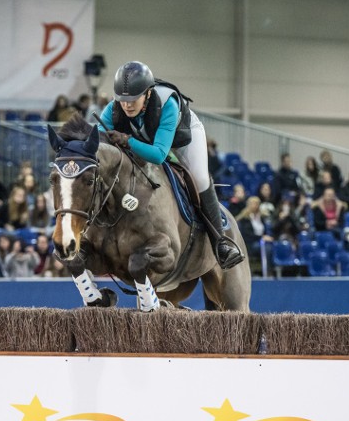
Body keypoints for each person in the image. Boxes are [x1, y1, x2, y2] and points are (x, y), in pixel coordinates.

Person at [97, 61, 243, 269]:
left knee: (200, 177)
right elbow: (96, 143)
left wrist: (127, 140)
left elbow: (158, 154)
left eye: (133, 99)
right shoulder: (114, 109)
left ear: (147, 94)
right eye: (123, 100)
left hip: (180, 140)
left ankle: (221, 242)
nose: (127, 105)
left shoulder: (167, 104)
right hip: (146, 139)